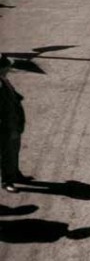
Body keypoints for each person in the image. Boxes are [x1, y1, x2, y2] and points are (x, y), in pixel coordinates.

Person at [0, 53, 29, 192]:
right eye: (7, 66)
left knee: (15, 150)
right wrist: (9, 127)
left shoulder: (4, 80)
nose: (9, 67)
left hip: (13, 123)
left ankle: (16, 174)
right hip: (5, 126)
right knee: (6, 154)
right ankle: (7, 181)